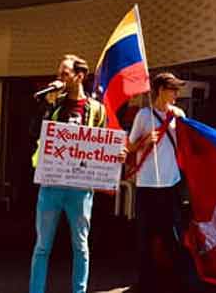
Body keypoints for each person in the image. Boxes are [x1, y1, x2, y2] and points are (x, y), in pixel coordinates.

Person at [28, 54, 116, 293]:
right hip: (51, 184)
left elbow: (102, 143)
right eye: (59, 74)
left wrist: (113, 155)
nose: (59, 78)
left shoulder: (96, 109)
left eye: (64, 74)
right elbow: (34, 132)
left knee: (81, 245)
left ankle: (79, 290)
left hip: (80, 188)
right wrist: (46, 104)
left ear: (80, 76)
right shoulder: (54, 104)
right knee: (42, 246)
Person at [126, 72, 186, 293]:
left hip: (171, 184)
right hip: (147, 185)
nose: (177, 94)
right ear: (161, 90)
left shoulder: (178, 115)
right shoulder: (143, 115)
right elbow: (129, 147)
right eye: (173, 89)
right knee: (146, 236)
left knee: (173, 235)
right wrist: (144, 140)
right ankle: (145, 282)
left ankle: (177, 282)